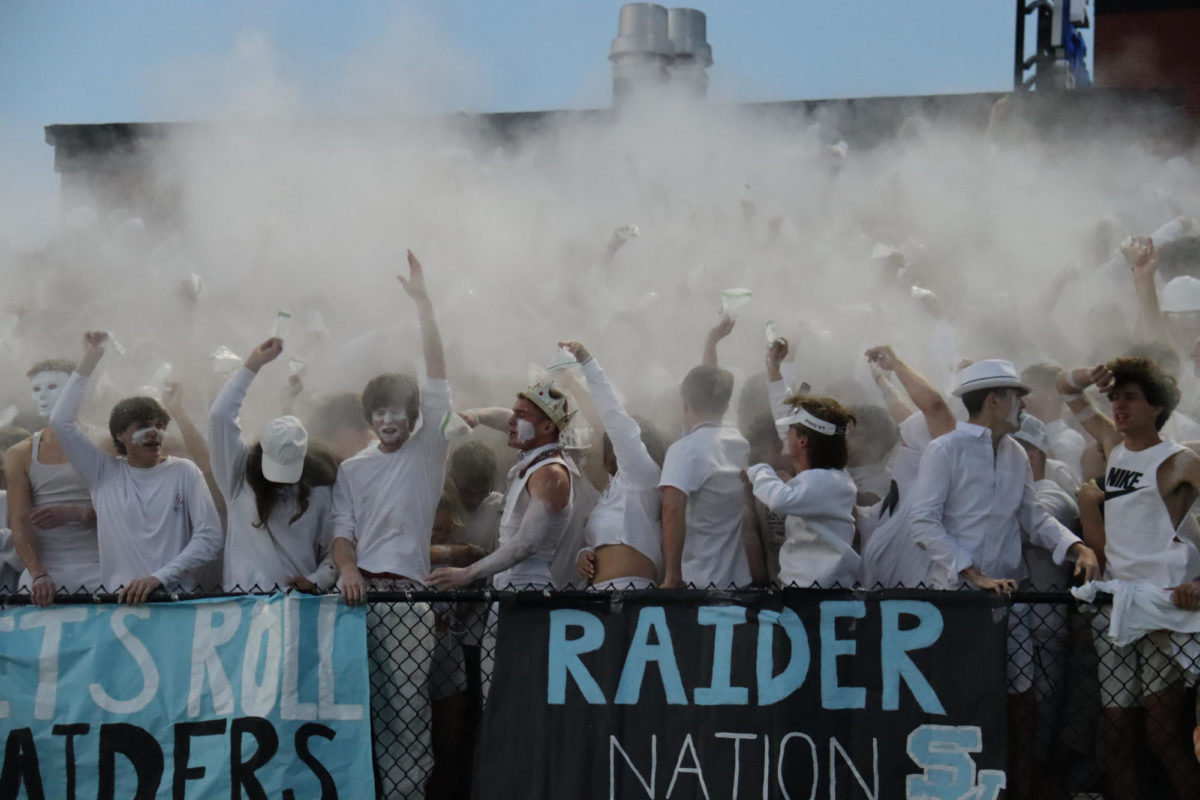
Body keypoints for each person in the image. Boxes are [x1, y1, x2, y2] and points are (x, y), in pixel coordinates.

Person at [907, 358, 1099, 800]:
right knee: (961, 702)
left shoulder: (1013, 452)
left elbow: (1032, 516)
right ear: (994, 400)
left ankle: (1018, 788)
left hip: (1008, 599)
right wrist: (971, 572)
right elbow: (923, 522)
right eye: (1017, 396)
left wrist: (1076, 547)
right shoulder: (946, 449)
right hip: (956, 603)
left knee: (1022, 700)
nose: (1023, 405)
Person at [328, 250, 450, 800]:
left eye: (397, 409)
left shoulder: (428, 450)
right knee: (364, 706)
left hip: (408, 600)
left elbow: (437, 377)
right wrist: (347, 567)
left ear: (413, 414)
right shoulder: (352, 469)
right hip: (356, 601)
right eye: (378, 412)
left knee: (407, 706)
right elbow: (341, 531)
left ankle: (409, 795)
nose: (388, 418)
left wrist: (424, 306)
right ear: (369, 418)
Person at [1055, 356, 1200, 798]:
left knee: (1161, 732)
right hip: (1116, 608)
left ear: (1156, 407)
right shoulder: (1110, 446)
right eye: (1115, 397)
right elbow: (1066, 389)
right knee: (1115, 734)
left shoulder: (1179, 461)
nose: (1118, 405)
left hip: (1163, 611)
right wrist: (1089, 374)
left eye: (1130, 397)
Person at [49, 332, 224, 603]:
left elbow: (210, 537)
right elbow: (61, 421)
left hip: (176, 604)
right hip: (118, 606)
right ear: (120, 435)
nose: (154, 433)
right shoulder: (103, 473)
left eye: (159, 425)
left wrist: (159, 578)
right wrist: (90, 360)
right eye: (143, 426)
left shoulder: (184, 472)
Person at [208, 337, 337, 593]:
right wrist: (254, 364)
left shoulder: (320, 493)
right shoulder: (237, 477)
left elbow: (334, 552)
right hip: (244, 605)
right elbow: (220, 416)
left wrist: (316, 580)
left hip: (298, 605)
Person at [427, 379, 574, 591]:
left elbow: (527, 543)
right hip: (510, 587)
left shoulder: (550, 473)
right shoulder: (538, 458)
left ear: (547, 426)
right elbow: (508, 419)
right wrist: (476, 416)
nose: (511, 421)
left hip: (528, 591)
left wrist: (467, 573)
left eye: (521, 415)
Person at [558, 340, 666, 591]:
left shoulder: (642, 475)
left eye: (609, 445)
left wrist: (587, 363)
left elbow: (614, 418)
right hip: (598, 598)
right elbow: (606, 540)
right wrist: (584, 554)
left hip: (631, 594)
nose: (602, 452)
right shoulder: (614, 490)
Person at [5, 359, 101, 605]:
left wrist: (77, 513)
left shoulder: (105, 443)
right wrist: (38, 573)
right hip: (46, 570)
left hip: (100, 565)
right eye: (36, 389)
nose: (43, 396)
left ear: (74, 391)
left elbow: (126, 510)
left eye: (52, 387)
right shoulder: (20, 454)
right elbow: (18, 520)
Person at [746, 393, 859, 587]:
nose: (784, 435)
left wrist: (758, 470)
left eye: (790, 430)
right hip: (815, 589)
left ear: (803, 441)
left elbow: (779, 500)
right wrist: (776, 374)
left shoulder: (824, 480)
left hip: (816, 592)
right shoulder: (832, 478)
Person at [659, 364, 750, 589]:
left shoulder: (684, 450)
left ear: (686, 402)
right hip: (739, 581)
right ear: (726, 404)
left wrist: (671, 577)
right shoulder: (740, 444)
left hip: (697, 585)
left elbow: (672, 509)